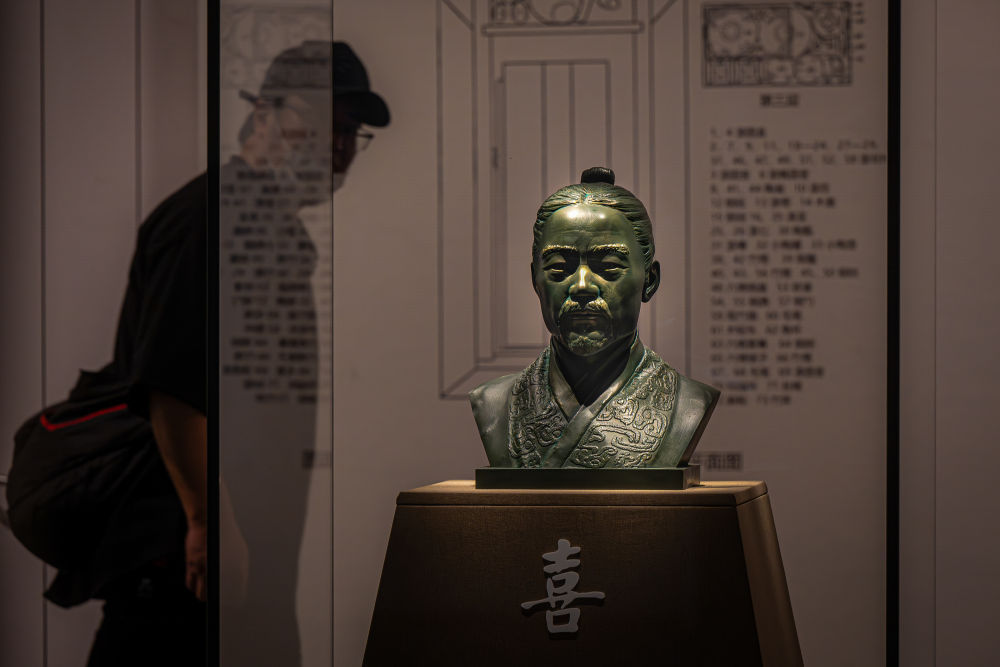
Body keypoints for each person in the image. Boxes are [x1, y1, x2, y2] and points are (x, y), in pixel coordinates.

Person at [75, 40, 387, 666]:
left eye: (350, 131)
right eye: (321, 122)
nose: (337, 146)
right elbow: (171, 386)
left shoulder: (265, 224)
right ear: (264, 113)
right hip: (185, 563)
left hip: (236, 552)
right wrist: (206, 522)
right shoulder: (211, 217)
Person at [470, 167, 719, 468]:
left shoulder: (687, 403)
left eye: (609, 267)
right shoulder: (495, 403)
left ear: (650, 281)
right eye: (559, 268)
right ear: (536, 280)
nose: (582, 286)